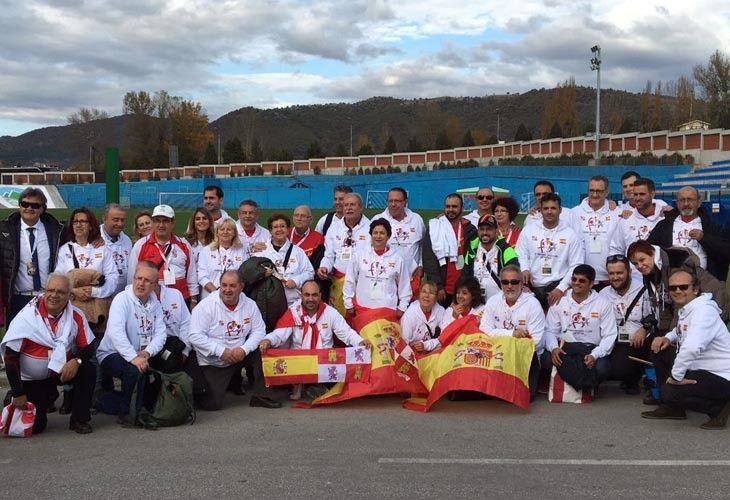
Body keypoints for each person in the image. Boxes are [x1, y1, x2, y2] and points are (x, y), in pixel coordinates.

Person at [1, 273, 96, 434]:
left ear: (69, 295)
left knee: (88, 369)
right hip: (32, 380)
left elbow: (88, 346)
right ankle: (15, 396)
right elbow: (10, 358)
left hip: (59, 373)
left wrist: (76, 361)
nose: (54, 295)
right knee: (37, 427)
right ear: (44, 291)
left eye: (60, 292)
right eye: (50, 290)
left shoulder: (76, 315)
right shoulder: (27, 317)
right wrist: (18, 392)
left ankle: (80, 419)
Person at [641, 270, 730, 430]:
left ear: (695, 289)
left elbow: (691, 347)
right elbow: (680, 331)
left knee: (670, 391)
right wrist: (667, 338)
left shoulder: (704, 311)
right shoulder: (689, 308)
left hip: (721, 375)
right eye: (673, 288)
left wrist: (676, 376)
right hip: (700, 369)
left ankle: (719, 408)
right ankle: (673, 408)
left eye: (683, 287)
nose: (677, 291)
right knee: (659, 349)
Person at [260, 280, 368, 399]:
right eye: (307, 295)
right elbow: (280, 334)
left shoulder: (330, 313)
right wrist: (268, 340)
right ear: (301, 295)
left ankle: (316, 385)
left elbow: (346, 333)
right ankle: (300, 384)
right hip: (299, 362)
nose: (310, 299)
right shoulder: (293, 312)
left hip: (324, 363)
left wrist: (360, 341)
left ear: (320, 296)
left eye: (314, 295)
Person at [188, 270, 279, 411]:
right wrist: (221, 351)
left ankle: (262, 395)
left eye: (232, 286)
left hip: (239, 353)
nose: (227, 290)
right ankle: (226, 384)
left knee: (264, 348)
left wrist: (244, 349)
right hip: (215, 361)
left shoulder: (250, 304)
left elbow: (259, 331)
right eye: (224, 285)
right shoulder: (205, 306)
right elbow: (194, 336)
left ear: (241, 286)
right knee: (211, 405)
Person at [96, 263, 167, 427]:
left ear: (155, 285)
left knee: (156, 365)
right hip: (111, 353)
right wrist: (133, 357)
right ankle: (129, 413)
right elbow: (116, 333)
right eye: (138, 278)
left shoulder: (155, 304)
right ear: (133, 279)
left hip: (140, 354)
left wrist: (147, 352)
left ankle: (112, 401)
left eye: (147, 280)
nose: (141, 283)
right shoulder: (122, 299)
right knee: (135, 370)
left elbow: (161, 333)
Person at [627, 240, 728, 331]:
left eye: (642, 260)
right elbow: (663, 304)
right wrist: (663, 333)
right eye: (635, 263)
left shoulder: (675, 261)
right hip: (694, 310)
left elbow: (681, 303)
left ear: (652, 253)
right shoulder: (650, 272)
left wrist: (670, 336)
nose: (639, 266)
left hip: (714, 303)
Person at [543, 264, 616, 391]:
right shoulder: (560, 301)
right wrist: (554, 348)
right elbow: (550, 330)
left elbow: (609, 335)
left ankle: (585, 386)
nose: (576, 283)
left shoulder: (603, 303)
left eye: (582, 280)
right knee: (546, 360)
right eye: (574, 279)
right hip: (565, 348)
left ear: (591, 284)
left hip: (590, 349)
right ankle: (582, 385)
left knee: (602, 367)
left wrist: (594, 355)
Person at [0, 187, 67, 323]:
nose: (29, 208)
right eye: (25, 204)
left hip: (48, 297)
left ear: (42, 209)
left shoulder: (57, 230)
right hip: (18, 299)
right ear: (19, 206)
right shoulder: (4, 229)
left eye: (35, 205)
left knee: (48, 341)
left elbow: (82, 238)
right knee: (17, 343)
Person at [480, 265, 545, 399]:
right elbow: (484, 330)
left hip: (523, 357)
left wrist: (506, 342)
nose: (509, 286)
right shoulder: (493, 301)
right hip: (496, 354)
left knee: (524, 397)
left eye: (514, 282)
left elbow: (537, 342)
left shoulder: (533, 304)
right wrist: (511, 334)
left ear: (522, 284)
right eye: (505, 282)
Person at [516, 193, 583, 310]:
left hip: (557, 288)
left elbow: (576, 265)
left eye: (553, 208)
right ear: (540, 210)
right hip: (532, 288)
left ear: (560, 210)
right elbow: (521, 253)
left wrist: (561, 288)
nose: (549, 212)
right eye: (546, 208)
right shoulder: (528, 230)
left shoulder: (570, 234)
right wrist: (524, 269)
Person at [648, 186, 730, 282]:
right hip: (672, 282)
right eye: (682, 200)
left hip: (703, 282)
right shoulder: (664, 225)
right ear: (677, 203)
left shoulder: (711, 226)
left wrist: (704, 238)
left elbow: (725, 252)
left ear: (699, 203)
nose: (686, 204)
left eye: (690, 200)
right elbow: (650, 248)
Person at [599, 254, 655, 395]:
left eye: (619, 273)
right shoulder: (603, 294)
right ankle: (628, 378)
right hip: (613, 341)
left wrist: (644, 328)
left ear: (629, 272)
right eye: (611, 273)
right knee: (616, 367)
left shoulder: (644, 289)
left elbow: (655, 316)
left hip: (638, 340)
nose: (615, 277)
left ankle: (638, 379)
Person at [128, 204, 199, 305]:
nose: (161, 225)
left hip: (180, 300)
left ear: (172, 223)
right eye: (157, 220)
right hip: (150, 301)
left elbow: (191, 275)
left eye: (165, 221)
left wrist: (194, 300)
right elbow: (131, 277)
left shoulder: (183, 244)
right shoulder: (140, 245)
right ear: (153, 222)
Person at [343, 218, 411, 317]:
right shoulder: (359, 255)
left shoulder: (397, 259)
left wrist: (402, 307)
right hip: (362, 309)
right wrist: (348, 304)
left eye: (382, 233)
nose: (378, 236)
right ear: (371, 235)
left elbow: (404, 286)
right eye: (375, 233)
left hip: (387, 310)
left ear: (388, 236)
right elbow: (350, 280)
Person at [55, 208, 118, 315]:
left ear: (91, 226)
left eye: (83, 221)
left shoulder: (102, 249)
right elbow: (58, 278)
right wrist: (74, 291)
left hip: (97, 308)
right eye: (75, 222)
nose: (78, 225)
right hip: (72, 306)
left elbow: (112, 277)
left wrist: (95, 292)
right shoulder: (65, 249)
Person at [317, 193, 371, 315]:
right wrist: (324, 267)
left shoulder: (371, 228)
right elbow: (329, 255)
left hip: (362, 283)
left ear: (361, 207)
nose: (348, 208)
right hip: (338, 282)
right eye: (346, 205)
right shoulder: (334, 228)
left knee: (360, 317)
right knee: (339, 320)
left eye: (353, 205)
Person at [422, 193, 479, 306]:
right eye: (448, 206)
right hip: (442, 287)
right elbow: (429, 259)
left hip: (463, 287)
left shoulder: (470, 229)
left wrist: (468, 285)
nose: (450, 210)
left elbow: (473, 258)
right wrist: (438, 286)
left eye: (454, 206)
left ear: (461, 208)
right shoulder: (435, 227)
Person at [571, 175, 620, 290]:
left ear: (606, 192)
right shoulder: (574, 213)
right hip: (582, 278)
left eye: (599, 191)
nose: (594, 194)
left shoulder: (618, 213)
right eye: (591, 190)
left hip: (609, 278)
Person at [253, 214, 314, 306]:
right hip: (269, 303)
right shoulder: (261, 252)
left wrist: (296, 281)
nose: (279, 230)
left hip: (293, 303)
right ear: (270, 231)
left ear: (288, 229)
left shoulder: (298, 252)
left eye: (282, 226)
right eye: (275, 227)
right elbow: (252, 275)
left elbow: (310, 273)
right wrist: (262, 273)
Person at [374, 187, 426, 280]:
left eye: (397, 201)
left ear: (405, 202)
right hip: (384, 278)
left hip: (412, 277)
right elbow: (368, 248)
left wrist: (421, 265)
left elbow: (422, 245)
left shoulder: (416, 219)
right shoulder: (377, 220)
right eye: (390, 201)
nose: (393, 204)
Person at [470, 214, 519, 303]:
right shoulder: (472, 250)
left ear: (497, 231)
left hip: (500, 304)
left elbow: (514, 279)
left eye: (489, 229)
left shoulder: (506, 250)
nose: (485, 232)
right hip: (476, 304)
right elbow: (466, 275)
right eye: (481, 229)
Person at [610, 178, 665, 256]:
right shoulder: (626, 220)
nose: (638, 198)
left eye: (642, 194)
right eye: (635, 194)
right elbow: (615, 249)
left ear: (652, 194)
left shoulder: (664, 217)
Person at [197, 218, 247, 299]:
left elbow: (244, 275)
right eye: (222, 229)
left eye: (229, 229)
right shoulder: (206, 251)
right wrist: (216, 292)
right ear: (217, 232)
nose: (225, 232)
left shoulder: (241, 251)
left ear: (234, 233)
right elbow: (202, 276)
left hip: (234, 297)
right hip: (210, 296)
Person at [401, 280, 447, 353]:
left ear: (436, 298)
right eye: (424, 292)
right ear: (419, 295)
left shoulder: (441, 311)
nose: (426, 296)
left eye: (431, 293)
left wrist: (426, 345)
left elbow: (444, 336)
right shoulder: (410, 314)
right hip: (414, 353)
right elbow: (404, 342)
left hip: (432, 351)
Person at [100, 203, 133, 294]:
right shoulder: (93, 238)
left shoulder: (127, 240)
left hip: (122, 297)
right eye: (115, 220)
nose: (119, 224)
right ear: (104, 219)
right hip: (100, 298)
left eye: (122, 220)